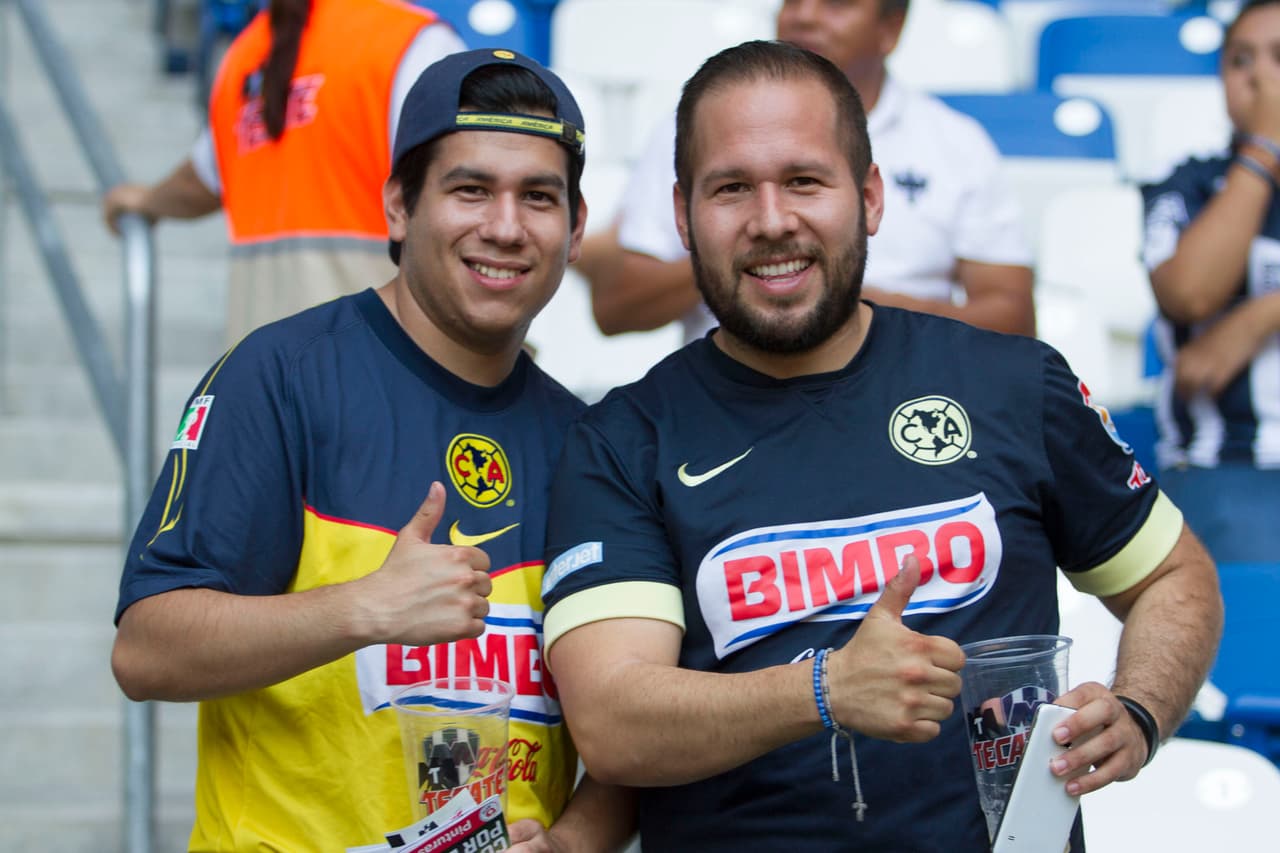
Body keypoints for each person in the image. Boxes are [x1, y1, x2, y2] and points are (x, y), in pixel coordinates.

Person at [540, 41, 1222, 851]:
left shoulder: (1011, 382)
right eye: (731, 189)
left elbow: (1176, 578)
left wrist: (1139, 709)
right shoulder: (624, 438)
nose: (770, 220)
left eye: (804, 180)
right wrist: (824, 690)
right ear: (684, 214)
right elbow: (614, 723)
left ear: (869, 198)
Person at [111, 48, 633, 852]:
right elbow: (147, 650)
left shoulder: (586, 441)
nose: (505, 225)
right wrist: (364, 610)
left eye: (538, 197)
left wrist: (569, 843)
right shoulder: (282, 375)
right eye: (470, 189)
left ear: (575, 226)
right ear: (398, 206)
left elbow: (629, 733)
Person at [577, 0, 1034, 344]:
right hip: (726, 406)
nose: (804, 16)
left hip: (904, 397)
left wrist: (850, 299)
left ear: (890, 29)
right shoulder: (705, 126)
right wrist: (757, 263)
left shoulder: (956, 143)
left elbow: (1014, 322)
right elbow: (618, 307)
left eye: (836, 3)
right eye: (733, 186)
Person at [102, 0, 465, 344]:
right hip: (380, 357)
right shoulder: (410, 41)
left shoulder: (245, 53)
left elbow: (201, 179)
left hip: (262, 367)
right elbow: (471, 185)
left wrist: (146, 201)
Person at [1141, 0, 1280, 564]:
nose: (1259, 76)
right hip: (1226, 470)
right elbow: (1189, 292)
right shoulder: (1188, 186)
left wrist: (1259, 316)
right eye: (1240, 60)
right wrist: (1265, 148)